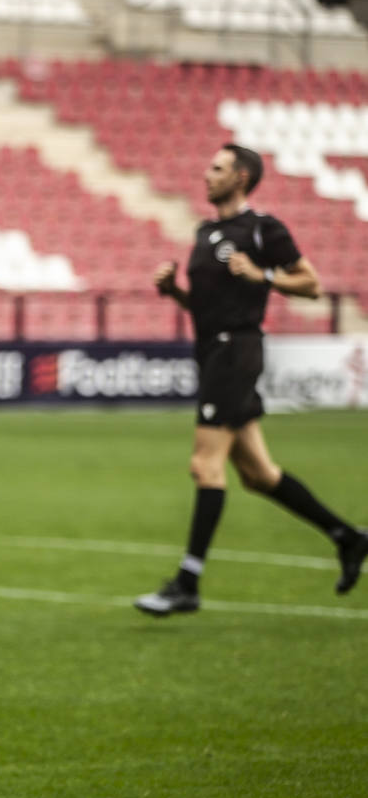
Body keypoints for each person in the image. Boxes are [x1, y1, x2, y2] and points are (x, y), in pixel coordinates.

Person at [134, 143, 368, 616]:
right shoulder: (206, 232)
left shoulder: (262, 229)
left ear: (241, 177)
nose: (206, 174)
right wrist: (173, 291)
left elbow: (311, 283)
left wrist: (262, 275)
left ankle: (188, 581)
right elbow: (203, 307)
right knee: (259, 475)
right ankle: (348, 537)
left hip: (236, 352)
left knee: (205, 467)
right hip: (214, 351)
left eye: (216, 168)